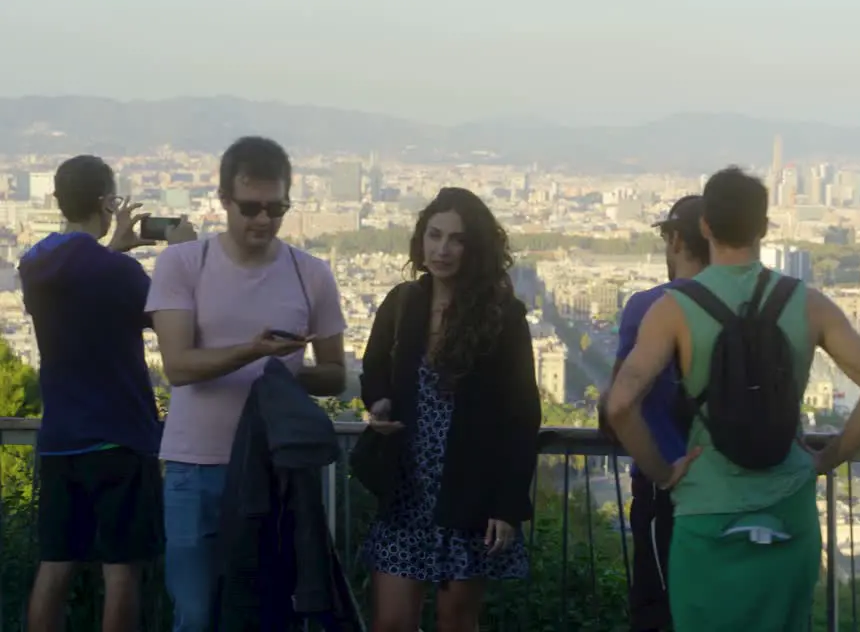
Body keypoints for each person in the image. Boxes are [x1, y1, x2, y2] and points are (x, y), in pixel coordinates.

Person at [606, 166, 860, 631]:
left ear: (705, 227)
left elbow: (620, 404)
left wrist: (664, 474)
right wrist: (828, 457)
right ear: (764, 227)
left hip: (706, 508)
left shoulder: (673, 309)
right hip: (788, 506)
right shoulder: (807, 302)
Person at [147, 136, 348, 632]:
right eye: (251, 207)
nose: (262, 220)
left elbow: (336, 374)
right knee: (195, 615)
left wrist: (285, 372)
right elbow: (177, 366)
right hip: (198, 464)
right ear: (223, 201)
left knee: (269, 612)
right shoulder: (182, 264)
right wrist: (254, 352)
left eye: (275, 208)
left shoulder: (312, 274)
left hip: (276, 467)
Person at [20, 155, 195, 632]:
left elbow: (80, 279)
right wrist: (179, 254)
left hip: (59, 440)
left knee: (55, 566)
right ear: (106, 201)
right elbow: (168, 314)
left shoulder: (33, 263)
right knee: (121, 571)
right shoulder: (119, 275)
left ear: (58, 199)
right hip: (119, 435)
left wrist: (112, 247)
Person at [359, 187, 541, 632]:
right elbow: (373, 370)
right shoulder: (403, 303)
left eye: (456, 239)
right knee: (391, 622)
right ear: (421, 240)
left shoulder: (501, 316)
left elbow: (521, 415)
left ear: (474, 248)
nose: (442, 249)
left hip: (468, 491)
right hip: (406, 487)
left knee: (455, 622)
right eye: (434, 235)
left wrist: (507, 504)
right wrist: (378, 403)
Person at [603, 195, 710, 632]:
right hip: (734, 485)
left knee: (659, 608)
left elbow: (618, 401)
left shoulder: (647, 306)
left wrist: (661, 473)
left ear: (676, 239)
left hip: (666, 481)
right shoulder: (747, 305)